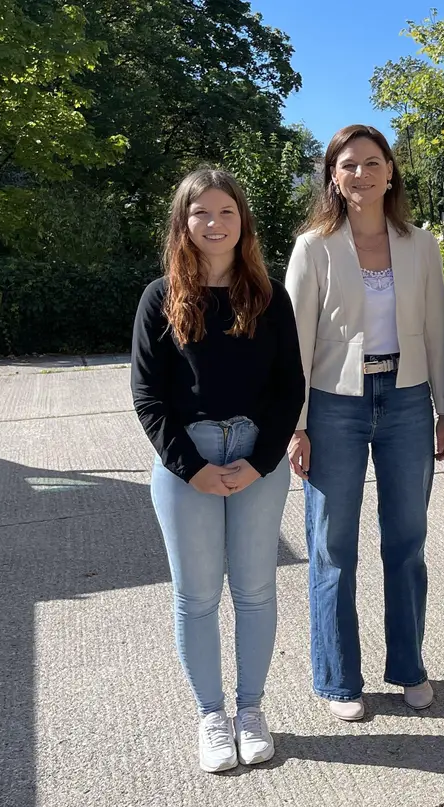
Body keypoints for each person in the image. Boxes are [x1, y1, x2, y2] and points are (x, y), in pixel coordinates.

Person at [131, 168, 305, 772]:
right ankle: (211, 715)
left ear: (242, 221)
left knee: (255, 591)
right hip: (187, 466)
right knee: (197, 596)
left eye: (226, 211)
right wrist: (190, 468)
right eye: (200, 212)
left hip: (258, 456)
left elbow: (290, 389)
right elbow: (148, 397)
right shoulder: (160, 298)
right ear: (183, 222)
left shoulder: (269, 296)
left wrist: (260, 462)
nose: (214, 223)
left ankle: (251, 710)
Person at [284, 124, 444, 722]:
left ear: (390, 172)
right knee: (333, 547)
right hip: (335, 404)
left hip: (407, 401)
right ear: (333, 175)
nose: (362, 174)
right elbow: (295, 342)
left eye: (373, 162)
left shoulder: (420, 244)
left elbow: (437, 329)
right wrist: (296, 423)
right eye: (348, 164)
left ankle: (408, 667)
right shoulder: (314, 248)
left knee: (407, 542)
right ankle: (337, 679)